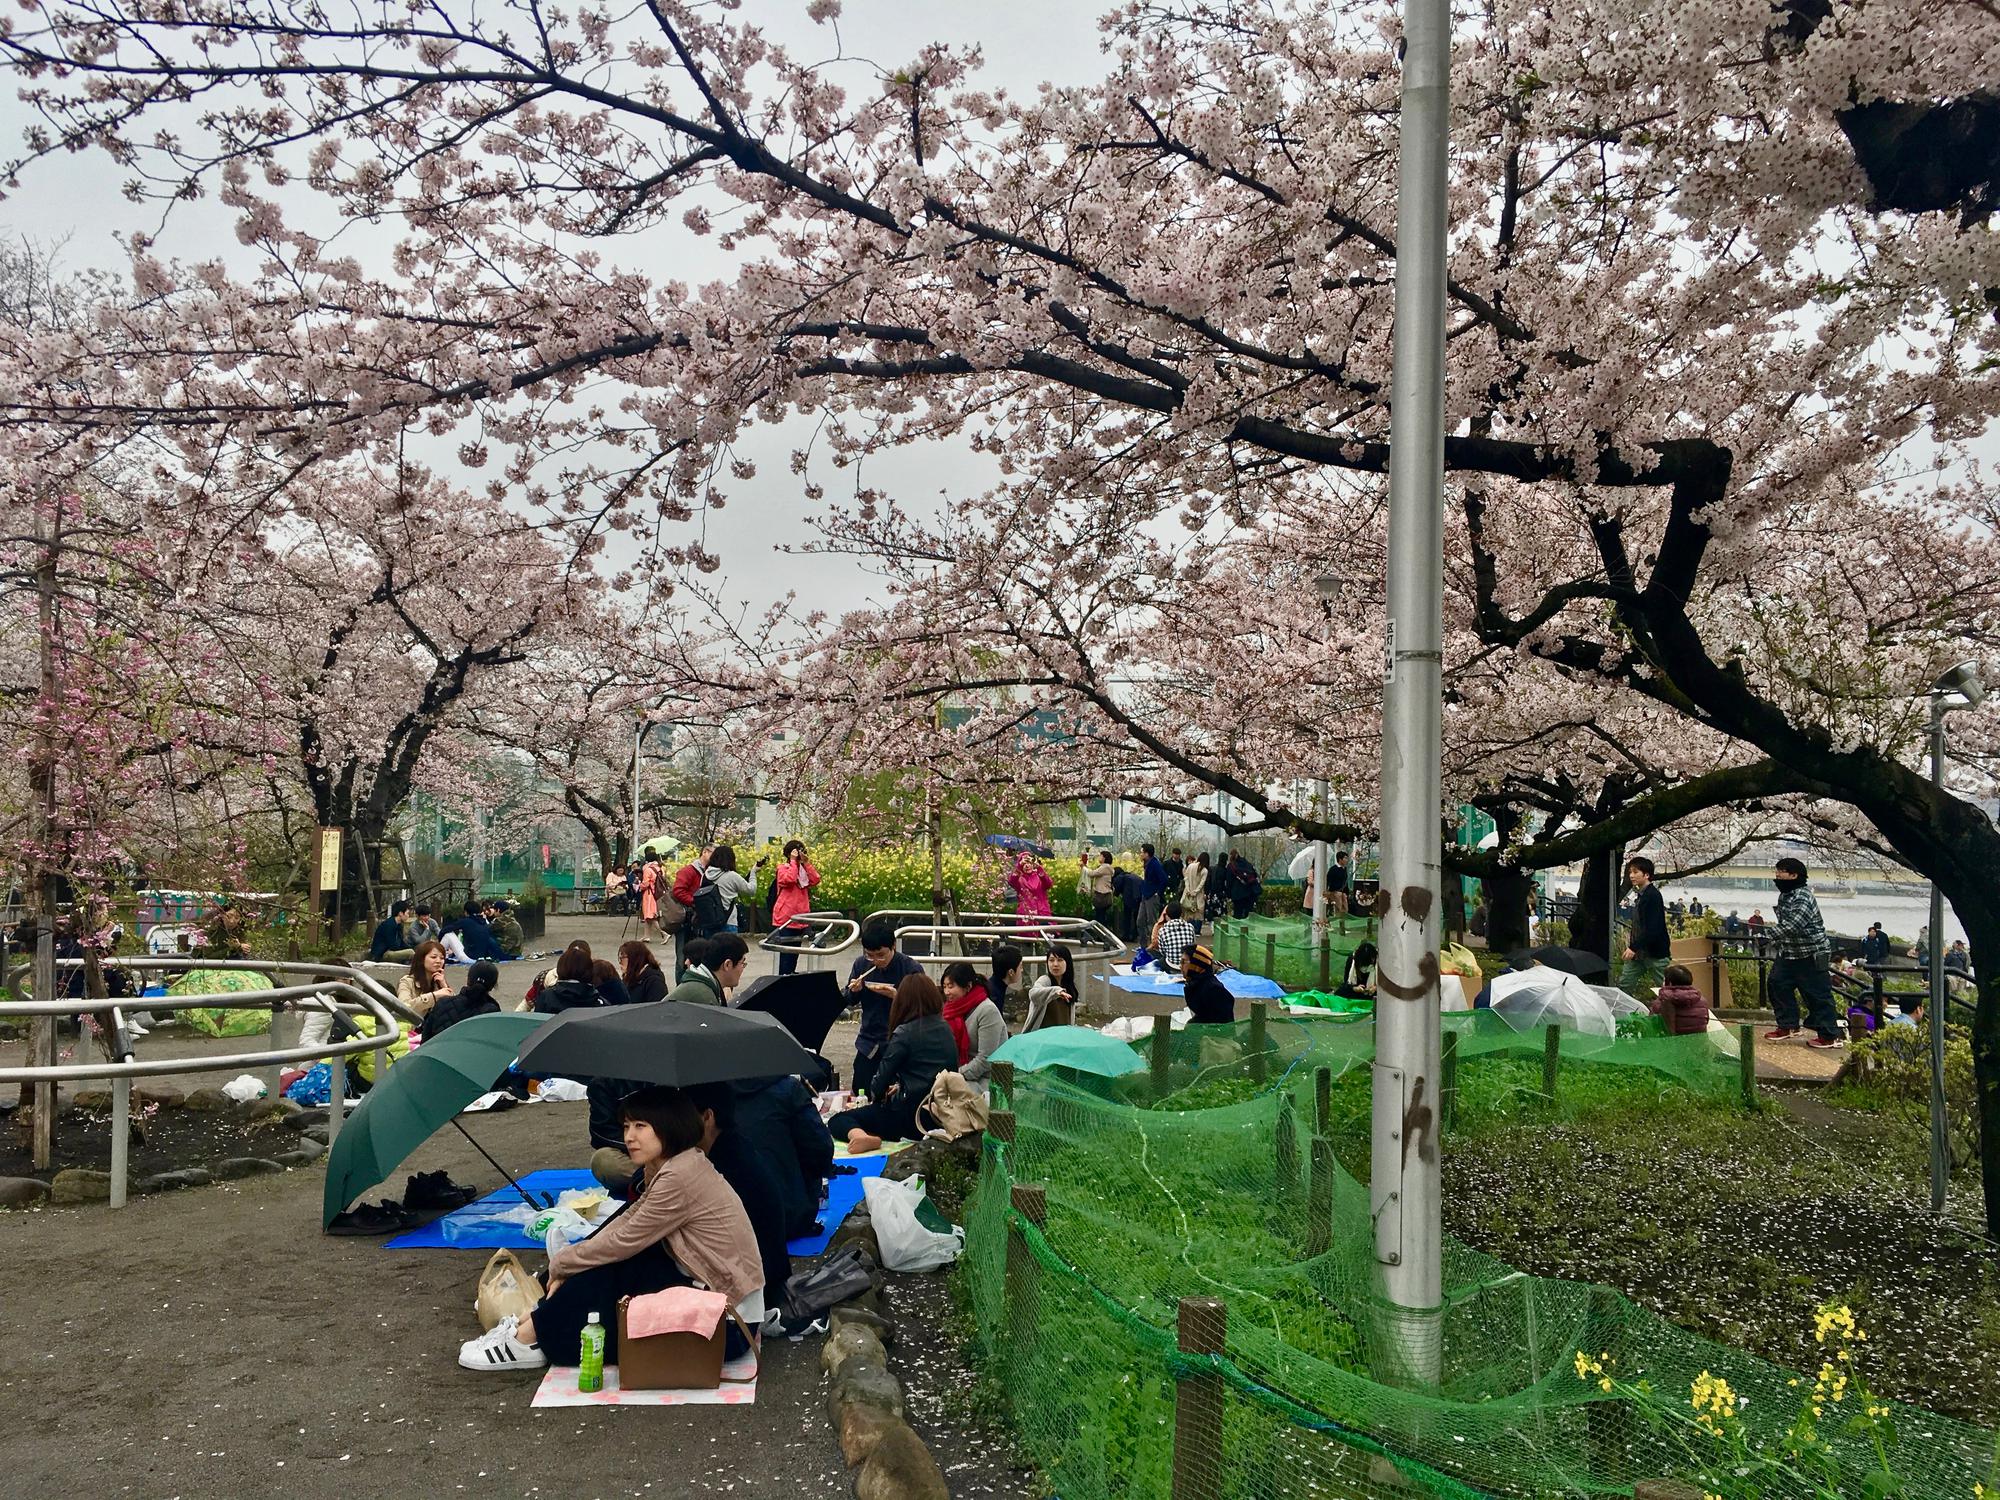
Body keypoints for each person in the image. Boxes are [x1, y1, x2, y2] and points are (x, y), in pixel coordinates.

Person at [458, 1087, 763, 1373]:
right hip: (717, 1304)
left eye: (640, 1126)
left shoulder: (681, 1176)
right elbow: (629, 1217)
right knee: (607, 1262)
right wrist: (573, 1259)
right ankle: (536, 1318)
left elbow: (624, 1241)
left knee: (612, 1266)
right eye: (627, 1126)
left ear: (670, 1126)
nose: (629, 1137)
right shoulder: (673, 1165)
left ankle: (529, 1336)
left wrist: (564, 1262)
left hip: (726, 1325)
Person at [686, 1082, 794, 1309]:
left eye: (682, 1115)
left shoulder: (720, 1165)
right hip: (768, 1274)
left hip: (753, 1287)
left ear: (707, 1117)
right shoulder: (732, 1145)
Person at [826, 974, 958, 1151]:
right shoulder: (945, 1028)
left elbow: (879, 1083)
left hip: (911, 1117)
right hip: (941, 1112)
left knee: (839, 1120)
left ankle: (861, 1136)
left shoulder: (904, 1033)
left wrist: (881, 1097)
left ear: (903, 1001)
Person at [723, 1073, 836, 1239]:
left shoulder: (710, 1093)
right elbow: (820, 1147)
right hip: (789, 1215)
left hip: (728, 1221)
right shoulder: (788, 1087)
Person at [1764, 859, 1840, 1048]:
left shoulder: (1803, 896)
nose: (1777, 875)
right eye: (1777, 871)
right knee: (1777, 984)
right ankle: (1787, 1025)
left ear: (1794, 875)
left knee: (1817, 994)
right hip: (1789, 951)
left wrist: (1767, 935)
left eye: (1781, 871)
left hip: (1811, 953)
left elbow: (1794, 925)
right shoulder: (1785, 896)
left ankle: (1828, 1035)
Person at [844, 920, 924, 1094]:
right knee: (861, 1092)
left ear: (893, 946)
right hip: (869, 1041)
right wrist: (854, 990)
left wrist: (898, 996)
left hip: (899, 1042)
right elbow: (848, 999)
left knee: (893, 1095)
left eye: (881, 955)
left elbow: (922, 1008)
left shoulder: (910, 968)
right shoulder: (861, 965)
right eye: (869, 955)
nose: (875, 961)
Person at [940, 961, 1007, 1088]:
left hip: (987, 1080)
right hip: (961, 1075)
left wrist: (953, 1075)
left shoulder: (987, 1010)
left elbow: (985, 1060)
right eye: (944, 986)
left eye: (951, 986)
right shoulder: (950, 1011)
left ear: (968, 986)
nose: (947, 992)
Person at [1619, 856, 1672, 993]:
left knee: (1667, 991)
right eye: (1630, 872)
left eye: (1636, 872)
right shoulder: (1642, 895)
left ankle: (1681, 1014)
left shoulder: (1652, 896)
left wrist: (1633, 947)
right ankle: (1620, 1013)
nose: (1631, 876)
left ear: (1646, 875)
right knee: (1624, 984)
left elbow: (1653, 928)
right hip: (1639, 953)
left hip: (1654, 953)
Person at [770, 839, 822, 975]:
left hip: (801, 918)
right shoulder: (783, 868)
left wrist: (806, 863)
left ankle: (790, 977)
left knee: (794, 956)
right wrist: (793, 861)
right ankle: (783, 980)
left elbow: (815, 879)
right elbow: (789, 879)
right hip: (786, 918)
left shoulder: (803, 870)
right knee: (785, 957)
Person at [419, 960, 503, 1042]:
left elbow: (425, 1039)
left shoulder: (442, 1003)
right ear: (493, 986)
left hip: (437, 1053)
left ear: (467, 979)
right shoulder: (492, 1012)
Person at [697, 845, 766, 936]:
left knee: (711, 949)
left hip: (709, 921)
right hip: (728, 921)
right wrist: (753, 872)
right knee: (729, 950)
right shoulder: (731, 876)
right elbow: (751, 889)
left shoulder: (705, 875)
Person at [669, 933, 749, 1005]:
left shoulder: (704, 985)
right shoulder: (703, 997)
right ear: (727, 965)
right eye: (742, 963)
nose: (743, 968)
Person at [533, 941, 608, 1014]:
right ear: (589, 970)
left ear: (561, 968)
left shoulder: (546, 997)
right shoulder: (599, 1001)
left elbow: (537, 1023)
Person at [1025, 944, 1080, 1031]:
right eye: (1051, 960)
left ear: (1067, 963)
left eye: (1060, 960)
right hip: (1042, 1037)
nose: (1055, 964)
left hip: (1062, 1036)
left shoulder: (1069, 985)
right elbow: (1033, 994)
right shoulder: (1045, 980)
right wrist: (1055, 991)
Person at [1650, 962, 1711, 1036]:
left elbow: (1652, 1025)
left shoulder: (1663, 1001)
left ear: (1670, 983)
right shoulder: (1702, 1001)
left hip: (1673, 1045)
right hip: (1699, 1044)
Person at [396, 940, 454, 1018]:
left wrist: (444, 986)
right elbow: (403, 1008)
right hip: (413, 1028)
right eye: (433, 957)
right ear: (421, 959)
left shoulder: (439, 982)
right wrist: (434, 996)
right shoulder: (407, 981)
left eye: (442, 958)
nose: (438, 961)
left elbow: (454, 1010)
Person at [1180, 944, 1235, 1024]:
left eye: (1183, 962)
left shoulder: (1213, 989)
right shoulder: (1195, 983)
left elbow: (1222, 1021)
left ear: (1196, 964)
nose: (1180, 966)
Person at [1150, 900, 1198, 974]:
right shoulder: (1190, 927)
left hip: (1171, 965)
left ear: (1167, 915)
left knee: (1154, 954)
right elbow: (1193, 945)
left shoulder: (1162, 930)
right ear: (1181, 914)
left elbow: (1163, 952)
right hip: (1188, 964)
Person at [1005, 853, 1052, 921]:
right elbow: (1011, 881)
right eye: (1024, 864)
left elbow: (1048, 884)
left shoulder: (1040, 876)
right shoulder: (1019, 879)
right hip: (1025, 914)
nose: (1027, 866)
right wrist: (1019, 866)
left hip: (1042, 912)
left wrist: (1039, 868)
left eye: (1029, 862)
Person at [620, 940, 668, 1006]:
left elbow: (657, 1008)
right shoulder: (630, 977)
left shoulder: (654, 982)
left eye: (622, 958)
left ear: (634, 958)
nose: (620, 962)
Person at [987, 944, 1025, 1023]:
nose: (1022, 970)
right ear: (1011, 972)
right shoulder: (994, 996)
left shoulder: (992, 986)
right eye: (1020, 967)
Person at [1136, 843, 1167, 937]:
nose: (1140, 854)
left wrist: (1158, 893)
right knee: (1140, 921)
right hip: (1145, 895)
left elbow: (1164, 879)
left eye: (1142, 852)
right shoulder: (1146, 864)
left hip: (1152, 896)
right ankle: (1143, 945)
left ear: (1147, 854)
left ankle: (1154, 944)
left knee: (1151, 922)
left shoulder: (1155, 864)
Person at [1085, 850, 1118, 929]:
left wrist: (1084, 867)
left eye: (1101, 856)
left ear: (1104, 858)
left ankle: (1101, 934)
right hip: (1105, 895)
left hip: (1102, 895)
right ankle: (1102, 933)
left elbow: (1091, 874)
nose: (1099, 857)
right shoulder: (1106, 867)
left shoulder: (1105, 867)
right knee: (1101, 915)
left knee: (1100, 916)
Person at [639, 849, 665, 940]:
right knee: (648, 916)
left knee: (650, 915)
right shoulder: (660, 868)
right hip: (657, 893)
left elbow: (645, 884)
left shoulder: (647, 869)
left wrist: (640, 885)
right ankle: (647, 936)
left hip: (649, 893)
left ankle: (664, 933)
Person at [1181, 853, 1210, 931]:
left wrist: (1188, 889)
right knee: (1198, 912)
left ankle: (1188, 929)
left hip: (1188, 892)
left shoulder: (1190, 866)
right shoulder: (1204, 870)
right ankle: (1197, 930)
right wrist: (1195, 891)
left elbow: (1186, 878)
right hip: (1198, 894)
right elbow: (1202, 883)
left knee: (1188, 911)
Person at [1327, 851, 1352, 919]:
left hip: (1343, 892)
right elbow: (1328, 881)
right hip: (1335, 892)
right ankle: (1338, 921)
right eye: (1345, 858)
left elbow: (1345, 882)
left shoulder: (1344, 869)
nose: (1347, 860)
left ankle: (1344, 921)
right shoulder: (1333, 869)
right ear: (1340, 859)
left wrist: (1347, 892)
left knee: (1345, 908)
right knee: (1339, 907)